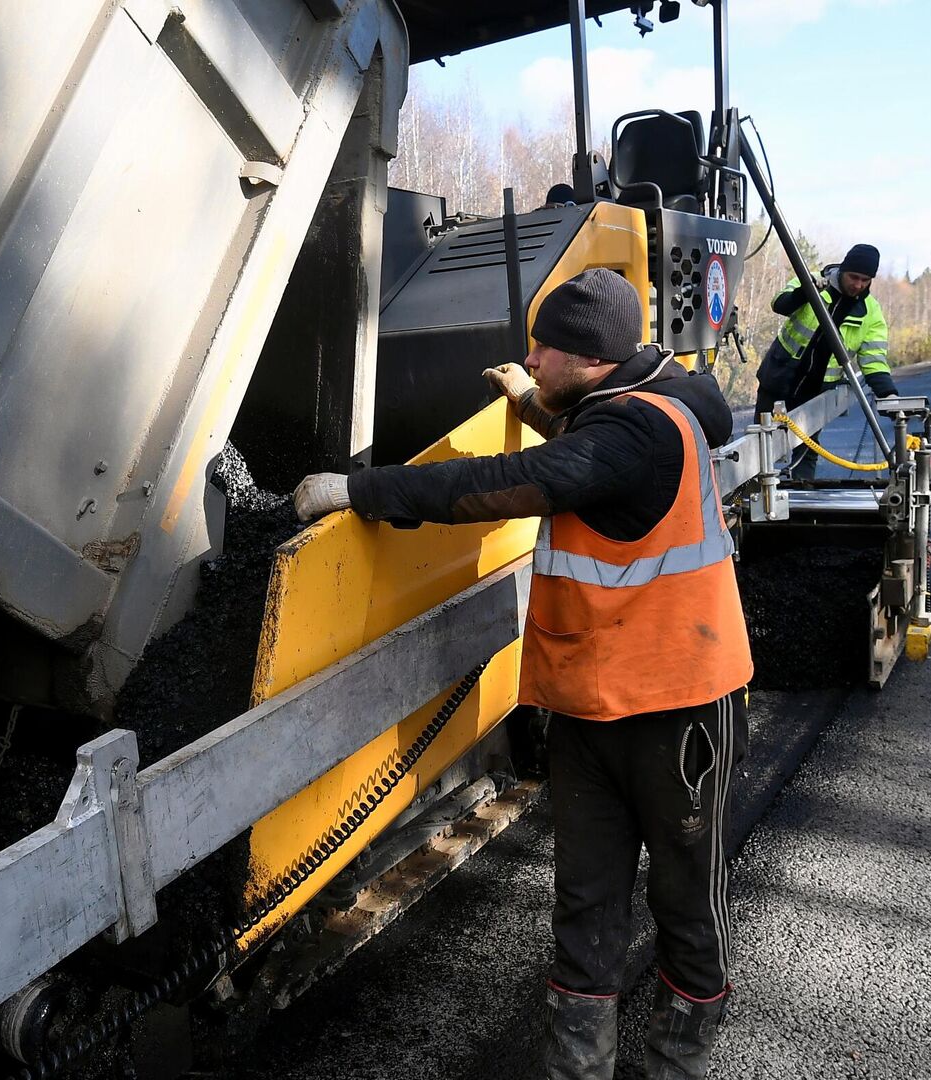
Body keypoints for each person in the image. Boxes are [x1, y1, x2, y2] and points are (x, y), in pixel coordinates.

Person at [293, 269, 753, 1080]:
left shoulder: (635, 435)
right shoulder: (628, 402)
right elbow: (579, 445)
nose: (530, 355)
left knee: (686, 905)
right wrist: (530, 402)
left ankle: (676, 1064)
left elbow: (493, 486)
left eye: (546, 349)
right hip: (588, 710)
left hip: (677, 713)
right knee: (583, 907)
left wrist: (360, 490)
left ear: (597, 361)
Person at [755, 243, 897, 478]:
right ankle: (751, 499)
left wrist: (888, 394)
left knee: (807, 451)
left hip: (815, 393)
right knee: (761, 446)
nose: (858, 285)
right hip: (778, 379)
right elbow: (780, 304)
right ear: (843, 269)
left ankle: (800, 502)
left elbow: (874, 360)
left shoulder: (870, 313)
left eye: (865, 280)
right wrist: (806, 291)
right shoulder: (810, 281)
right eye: (854, 277)